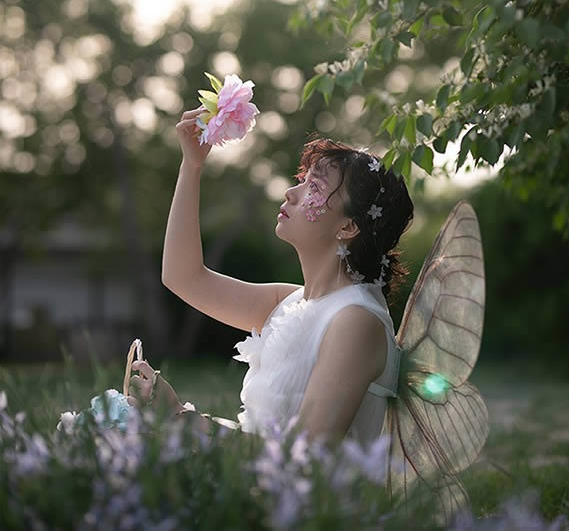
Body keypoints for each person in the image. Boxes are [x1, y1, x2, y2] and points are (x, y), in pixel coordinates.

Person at [127, 105, 414, 450]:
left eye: (315, 187)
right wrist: (192, 165)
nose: (291, 193)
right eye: (302, 181)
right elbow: (182, 277)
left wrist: (179, 418)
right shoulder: (289, 302)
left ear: (348, 226)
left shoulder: (357, 320)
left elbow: (304, 456)